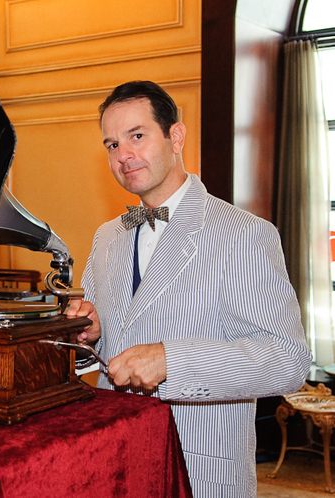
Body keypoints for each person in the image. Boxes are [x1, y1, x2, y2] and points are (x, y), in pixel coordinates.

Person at [66, 80, 311, 497]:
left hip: (199, 469)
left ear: (176, 136)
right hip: (114, 465)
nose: (123, 155)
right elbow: (110, 342)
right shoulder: (108, 235)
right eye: (111, 144)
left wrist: (172, 361)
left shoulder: (244, 234)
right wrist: (91, 331)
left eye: (137, 136)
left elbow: (288, 361)